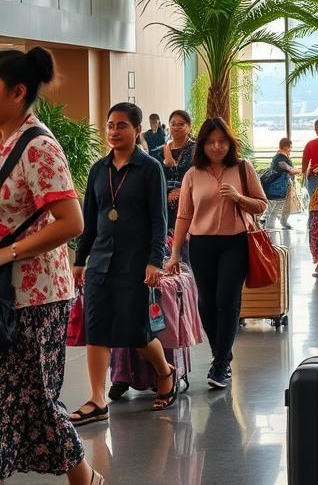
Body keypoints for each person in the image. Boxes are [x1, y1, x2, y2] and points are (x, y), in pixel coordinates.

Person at [0, 47, 104, 485]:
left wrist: (8, 253)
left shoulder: (38, 145)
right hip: (9, 291)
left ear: (17, 91)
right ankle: (86, 479)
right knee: (26, 401)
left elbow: (72, 221)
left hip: (34, 295)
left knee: (28, 400)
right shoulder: (3, 139)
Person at [71, 102, 175, 426]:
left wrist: (155, 261)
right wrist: (79, 260)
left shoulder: (149, 169)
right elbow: (90, 218)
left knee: (135, 332)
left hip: (135, 263)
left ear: (136, 131)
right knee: (97, 329)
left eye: (121, 126)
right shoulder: (98, 170)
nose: (114, 132)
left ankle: (165, 372)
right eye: (110, 126)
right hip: (101, 261)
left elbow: (160, 220)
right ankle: (96, 399)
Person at [165, 117, 267, 389]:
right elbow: (184, 216)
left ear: (230, 142)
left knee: (227, 299)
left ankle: (221, 363)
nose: (217, 146)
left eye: (222, 141)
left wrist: (239, 197)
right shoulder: (192, 175)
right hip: (200, 245)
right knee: (205, 304)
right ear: (202, 145)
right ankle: (222, 353)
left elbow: (261, 206)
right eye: (211, 142)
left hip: (235, 243)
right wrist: (175, 253)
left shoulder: (243, 169)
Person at [154, 110, 195, 261]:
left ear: (189, 127)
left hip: (189, 200)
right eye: (173, 124)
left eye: (181, 124)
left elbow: (201, 175)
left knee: (188, 244)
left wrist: (183, 191)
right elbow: (155, 178)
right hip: (164, 200)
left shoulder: (196, 150)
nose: (176, 127)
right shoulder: (158, 152)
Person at [263, 137, 300, 230]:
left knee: (283, 204)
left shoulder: (280, 156)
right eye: (291, 147)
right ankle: (270, 225)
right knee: (277, 205)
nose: (291, 149)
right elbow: (291, 170)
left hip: (283, 185)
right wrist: (305, 169)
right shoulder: (280, 158)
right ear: (286, 147)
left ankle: (282, 221)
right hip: (279, 186)